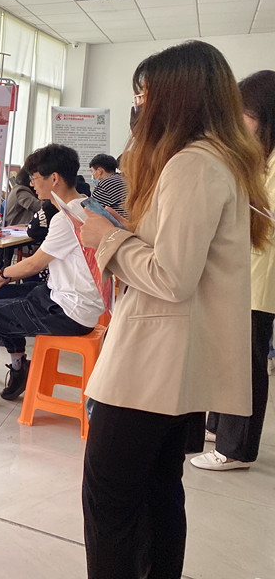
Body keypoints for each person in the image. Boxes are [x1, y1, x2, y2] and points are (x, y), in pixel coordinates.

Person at [78, 41, 269, 579]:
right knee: (159, 493)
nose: (139, 106)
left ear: (178, 96)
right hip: (171, 363)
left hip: (151, 366)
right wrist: (129, 231)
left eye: (144, 95)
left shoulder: (193, 164)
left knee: (111, 499)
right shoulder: (215, 160)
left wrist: (107, 238)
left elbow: (171, 275)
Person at [0, 144, 104, 409]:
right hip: (73, 301)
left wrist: (2, 273)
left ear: (54, 178)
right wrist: (2, 279)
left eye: (35, 177)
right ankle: (19, 367)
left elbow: (34, 263)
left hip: (67, 310)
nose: (32, 183)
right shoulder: (87, 205)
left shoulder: (65, 218)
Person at [193, 69, 275, 472]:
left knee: (247, 361)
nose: (240, 123)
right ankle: (218, 426)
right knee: (229, 353)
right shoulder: (260, 158)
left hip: (261, 276)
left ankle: (237, 448)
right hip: (243, 270)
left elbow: (263, 216)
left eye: (248, 115)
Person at [89, 153, 128, 218]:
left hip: (118, 222)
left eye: (92, 171)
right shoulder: (121, 178)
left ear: (99, 171)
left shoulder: (105, 184)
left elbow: (90, 209)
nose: (92, 175)